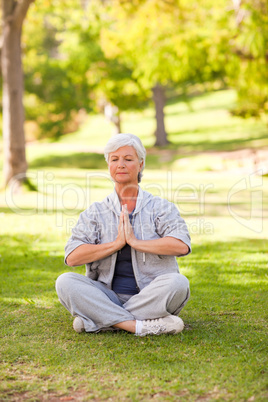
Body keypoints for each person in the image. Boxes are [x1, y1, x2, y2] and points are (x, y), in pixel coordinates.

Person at [56, 133, 191, 336]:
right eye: (114, 159)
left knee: (179, 283)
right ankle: (138, 325)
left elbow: (181, 245)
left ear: (140, 164)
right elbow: (73, 257)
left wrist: (135, 242)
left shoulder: (161, 207)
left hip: (151, 294)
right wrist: (116, 244)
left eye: (128, 159)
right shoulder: (95, 212)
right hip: (106, 295)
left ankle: (99, 319)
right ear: (108, 166)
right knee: (65, 282)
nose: (121, 165)